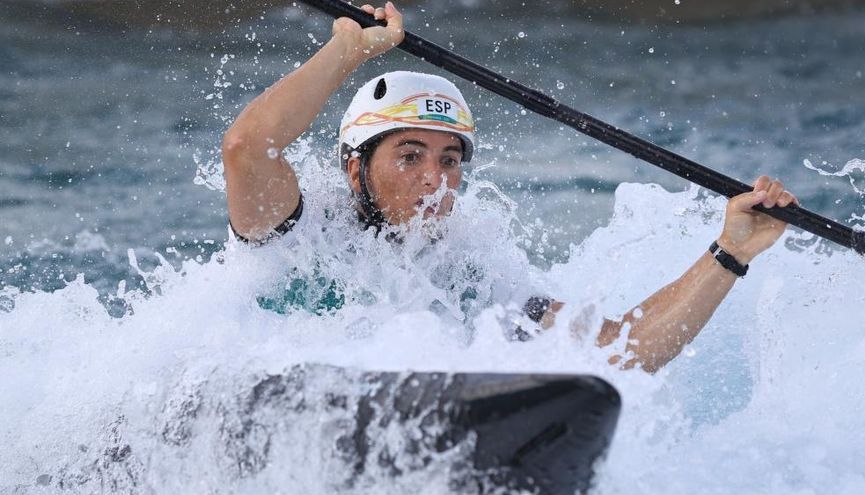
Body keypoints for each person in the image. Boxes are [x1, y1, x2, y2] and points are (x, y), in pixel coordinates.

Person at [222, 2, 798, 373]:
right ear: (355, 169)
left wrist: (732, 250)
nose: (435, 179)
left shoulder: (473, 272)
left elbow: (622, 350)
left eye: (451, 160)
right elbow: (247, 148)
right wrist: (347, 49)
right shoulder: (298, 229)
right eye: (409, 155)